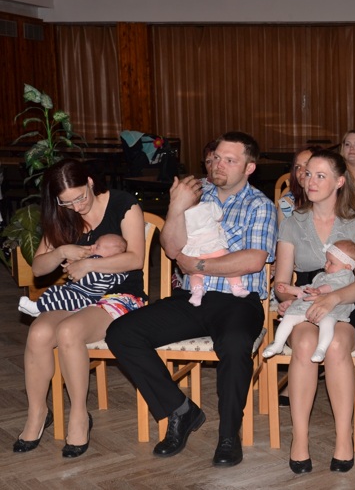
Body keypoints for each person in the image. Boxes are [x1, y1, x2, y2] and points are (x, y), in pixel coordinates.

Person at [105, 131, 277, 467]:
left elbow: (253, 260)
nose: (218, 165)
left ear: (249, 168)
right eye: (216, 158)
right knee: (122, 333)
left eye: (230, 160)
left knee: (235, 343)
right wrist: (176, 206)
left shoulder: (260, 205)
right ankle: (181, 410)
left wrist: (198, 265)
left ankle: (229, 434)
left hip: (238, 300)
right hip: (192, 297)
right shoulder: (196, 193)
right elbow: (172, 249)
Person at [14, 159, 146, 458]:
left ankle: (78, 415)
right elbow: (38, 267)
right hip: (78, 296)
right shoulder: (62, 214)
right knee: (38, 333)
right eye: (66, 202)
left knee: (69, 331)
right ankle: (37, 413)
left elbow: (135, 259)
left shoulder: (122, 203)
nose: (75, 206)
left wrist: (88, 265)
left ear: (89, 182)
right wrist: (61, 250)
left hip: (119, 296)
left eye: (79, 198)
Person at [273, 149, 355, 475]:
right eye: (307, 174)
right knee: (304, 344)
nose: (310, 181)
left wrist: (333, 299)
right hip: (305, 297)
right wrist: (292, 295)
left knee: (336, 344)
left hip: (347, 298)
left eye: (320, 175)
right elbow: (280, 282)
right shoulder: (293, 222)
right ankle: (299, 438)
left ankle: (344, 438)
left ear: (339, 181)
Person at [262, 239, 355, 363]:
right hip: (310, 306)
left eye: (331, 262)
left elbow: (334, 286)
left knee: (327, 323)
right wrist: (290, 289)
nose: (326, 264)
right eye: (327, 260)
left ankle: (321, 349)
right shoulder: (321, 276)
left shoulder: (347, 276)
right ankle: (278, 343)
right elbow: (308, 289)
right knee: (289, 316)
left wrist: (320, 290)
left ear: (347, 267)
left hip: (332, 309)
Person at [18, 233, 129, 317]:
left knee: (62, 296)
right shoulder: (96, 260)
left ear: (111, 256)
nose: (92, 246)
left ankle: (37, 307)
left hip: (85, 297)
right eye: (95, 243)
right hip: (75, 290)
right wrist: (74, 264)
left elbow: (84, 279)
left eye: (97, 246)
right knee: (54, 290)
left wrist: (77, 268)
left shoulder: (106, 271)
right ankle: (40, 307)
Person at [183, 200, 250, 306]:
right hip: (214, 246)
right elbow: (220, 217)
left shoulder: (182, 213)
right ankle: (237, 287)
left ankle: (197, 290)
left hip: (195, 250)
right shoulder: (209, 205)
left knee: (196, 274)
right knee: (229, 266)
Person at [277, 146, 320, 225]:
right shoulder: (286, 204)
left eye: (307, 165)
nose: (301, 171)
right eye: (297, 167)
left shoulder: (333, 201)